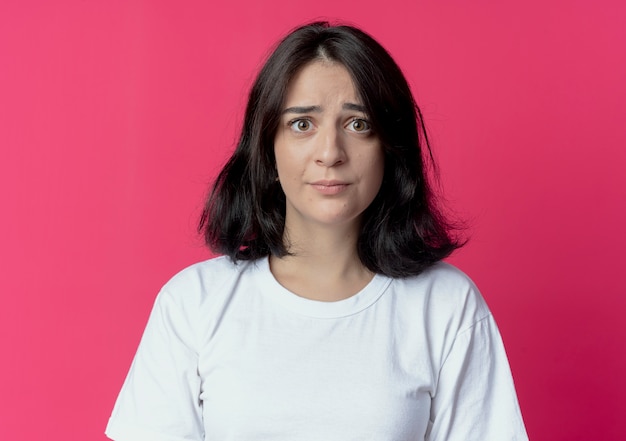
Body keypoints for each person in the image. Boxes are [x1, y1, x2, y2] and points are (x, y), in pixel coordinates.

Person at [106, 22, 528, 441]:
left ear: (390, 147)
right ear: (268, 146)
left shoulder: (447, 307)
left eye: (358, 124)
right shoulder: (192, 304)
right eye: (302, 125)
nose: (330, 153)